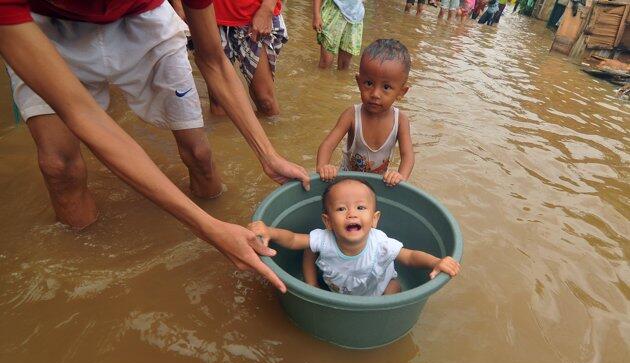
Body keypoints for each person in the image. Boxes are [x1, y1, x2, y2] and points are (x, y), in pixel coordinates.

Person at [0, 0, 312, 293]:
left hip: (143, 17)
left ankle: (219, 220)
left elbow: (213, 59)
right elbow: (82, 113)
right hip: (45, 28)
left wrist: (268, 156)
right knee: (60, 168)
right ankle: (91, 280)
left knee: (200, 154)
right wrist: (208, 229)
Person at [249, 178, 461, 296]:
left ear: (375, 219)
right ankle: (313, 285)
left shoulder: (380, 243)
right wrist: (270, 231)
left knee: (394, 288)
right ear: (328, 221)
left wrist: (437, 261)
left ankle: (378, 308)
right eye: (341, 209)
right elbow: (294, 239)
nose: (352, 213)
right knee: (309, 248)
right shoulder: (325, 238)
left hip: (377, 288)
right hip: (337, 288)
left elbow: (411, 256)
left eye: (361, 207)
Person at [316, 39, 414, 187]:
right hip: (346, 182)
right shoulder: (351, 115)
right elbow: (327, 145)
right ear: (358, 82)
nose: (375, 94)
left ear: (401, 92)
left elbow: (408, 156)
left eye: (386, 87)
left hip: (377, 186)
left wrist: (400, 176)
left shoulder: (400, 121)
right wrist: (323, 167)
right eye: (368, 83)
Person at [208, 0, 288, 116]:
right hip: (210, 14)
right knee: (218, 102)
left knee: (266, 102)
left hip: (255, 13)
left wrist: (267, 8)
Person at [312, 0, 364, 70]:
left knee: (344, 64)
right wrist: (316, 15)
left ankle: (339, 80)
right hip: (334, 11)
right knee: (326, 61)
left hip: (356, 16)